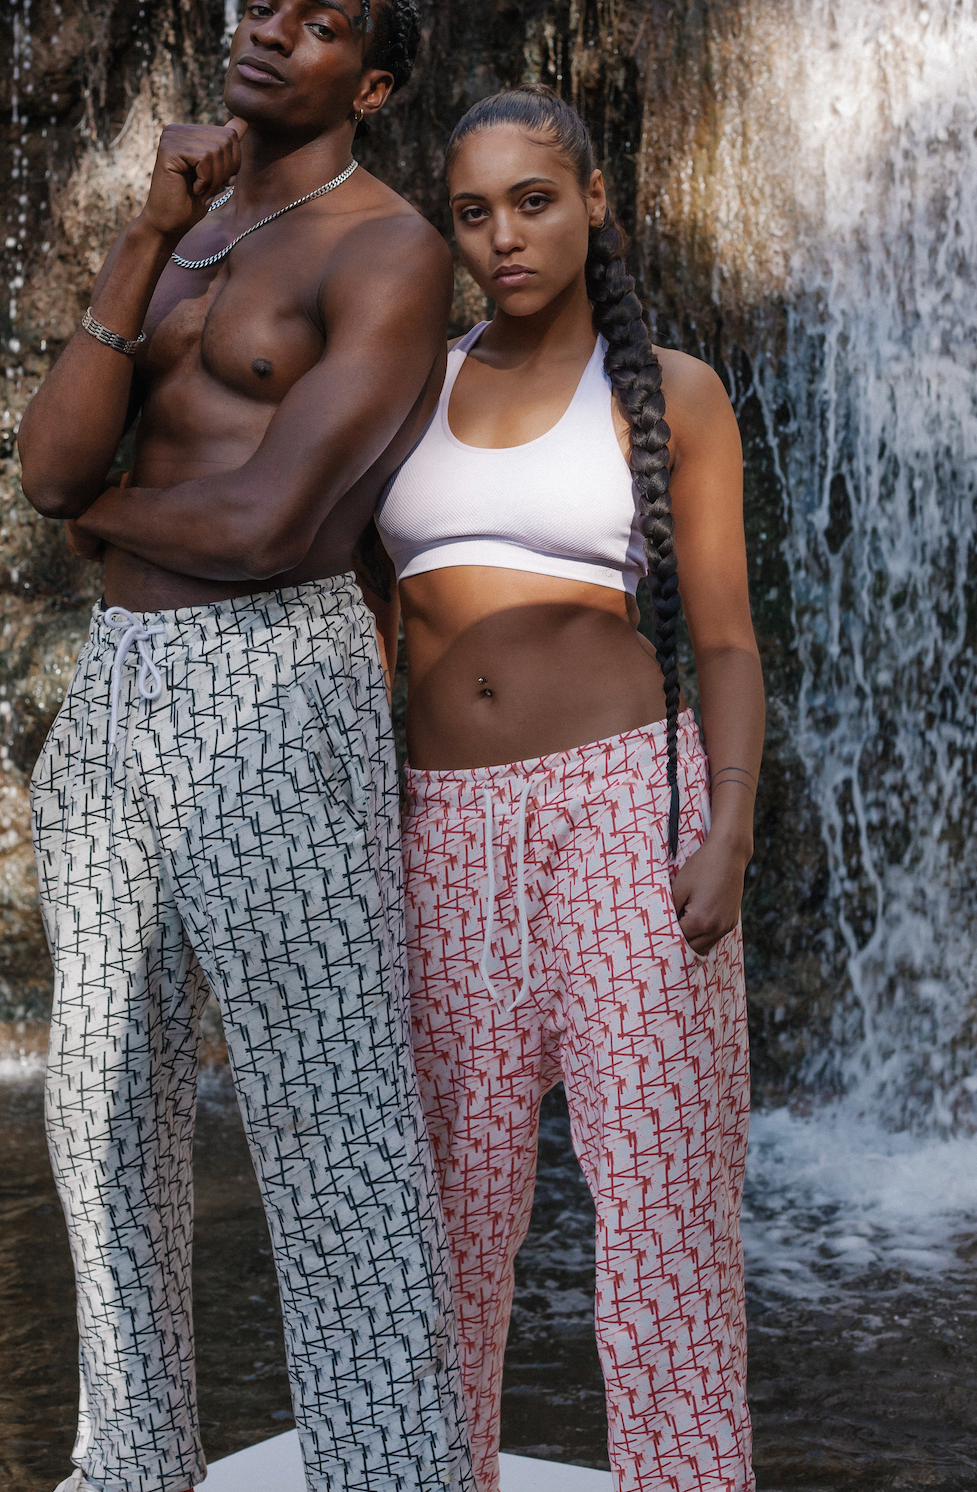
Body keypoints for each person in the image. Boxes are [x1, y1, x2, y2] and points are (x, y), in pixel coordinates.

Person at [17, 0, 477, 1492]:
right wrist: (146, 235)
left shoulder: (392, 249)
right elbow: (44, 469)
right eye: (264, 7)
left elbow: (283, 527)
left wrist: (102, 517)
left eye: (319, 23)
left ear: (376, 78)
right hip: (120, 690)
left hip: (279, 675)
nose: (271, 35)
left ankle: (389, 1473)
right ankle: (130, 1459)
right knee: (103, 1101)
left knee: (329, 1115)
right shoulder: (190, 234)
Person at [375, 84, 764, 1492]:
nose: (503, 237)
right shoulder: (410, 379)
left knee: (659, 1221)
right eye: (473, 212)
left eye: (532, 201)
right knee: (450, 1223)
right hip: (440, 828)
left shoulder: (669, 391)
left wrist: (723, 829)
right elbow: (367, 621)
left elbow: (723, 637)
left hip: (623, 812)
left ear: (595, 200)